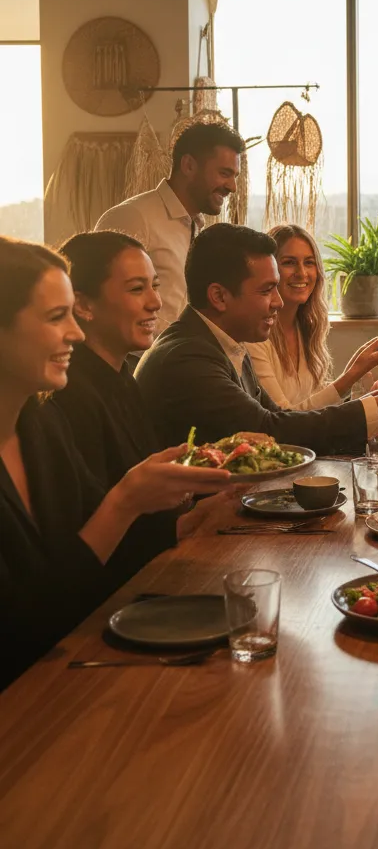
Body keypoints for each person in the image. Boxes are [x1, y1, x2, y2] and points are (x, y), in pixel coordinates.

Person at [0, 237, 233, 689]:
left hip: (64, 672)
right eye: (55, 317)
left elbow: (90, 565)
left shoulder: (38, 424)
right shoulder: (65, 407)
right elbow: (24, 626)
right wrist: (124, 501)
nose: (75, 333)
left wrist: (191, 501)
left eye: (71, 313)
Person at [135, 223, 378, 452]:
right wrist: (376, 410)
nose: (278, 301)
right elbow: (270, 432)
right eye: (266, 289)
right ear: (219, 296)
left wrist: (372, 403)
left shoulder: (222, 342)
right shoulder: (189, 358)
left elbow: (278, 417)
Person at [51, 230, 240, 560]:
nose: (156, 302)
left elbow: (153, 509)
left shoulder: (122, 376)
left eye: (155, 286)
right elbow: (94, 540)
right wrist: (190, 519)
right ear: (82, 304)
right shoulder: (68, 395)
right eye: (137, 289)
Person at [96, 121, 245, 332]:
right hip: (139, 363)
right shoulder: (132, 217)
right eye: (224, 173)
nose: (232, 187)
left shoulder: (198, 228)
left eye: (234, 176)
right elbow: (102, 302)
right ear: (189, 166)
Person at [245, 223, 378, 410]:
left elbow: (316, 411)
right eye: (289, 262)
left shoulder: (306, 328)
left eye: (309, 263)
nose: (302, 273)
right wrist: (352, 375)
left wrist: (367, 399)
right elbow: (284, 419)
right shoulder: (254, 337)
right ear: (270, 269)